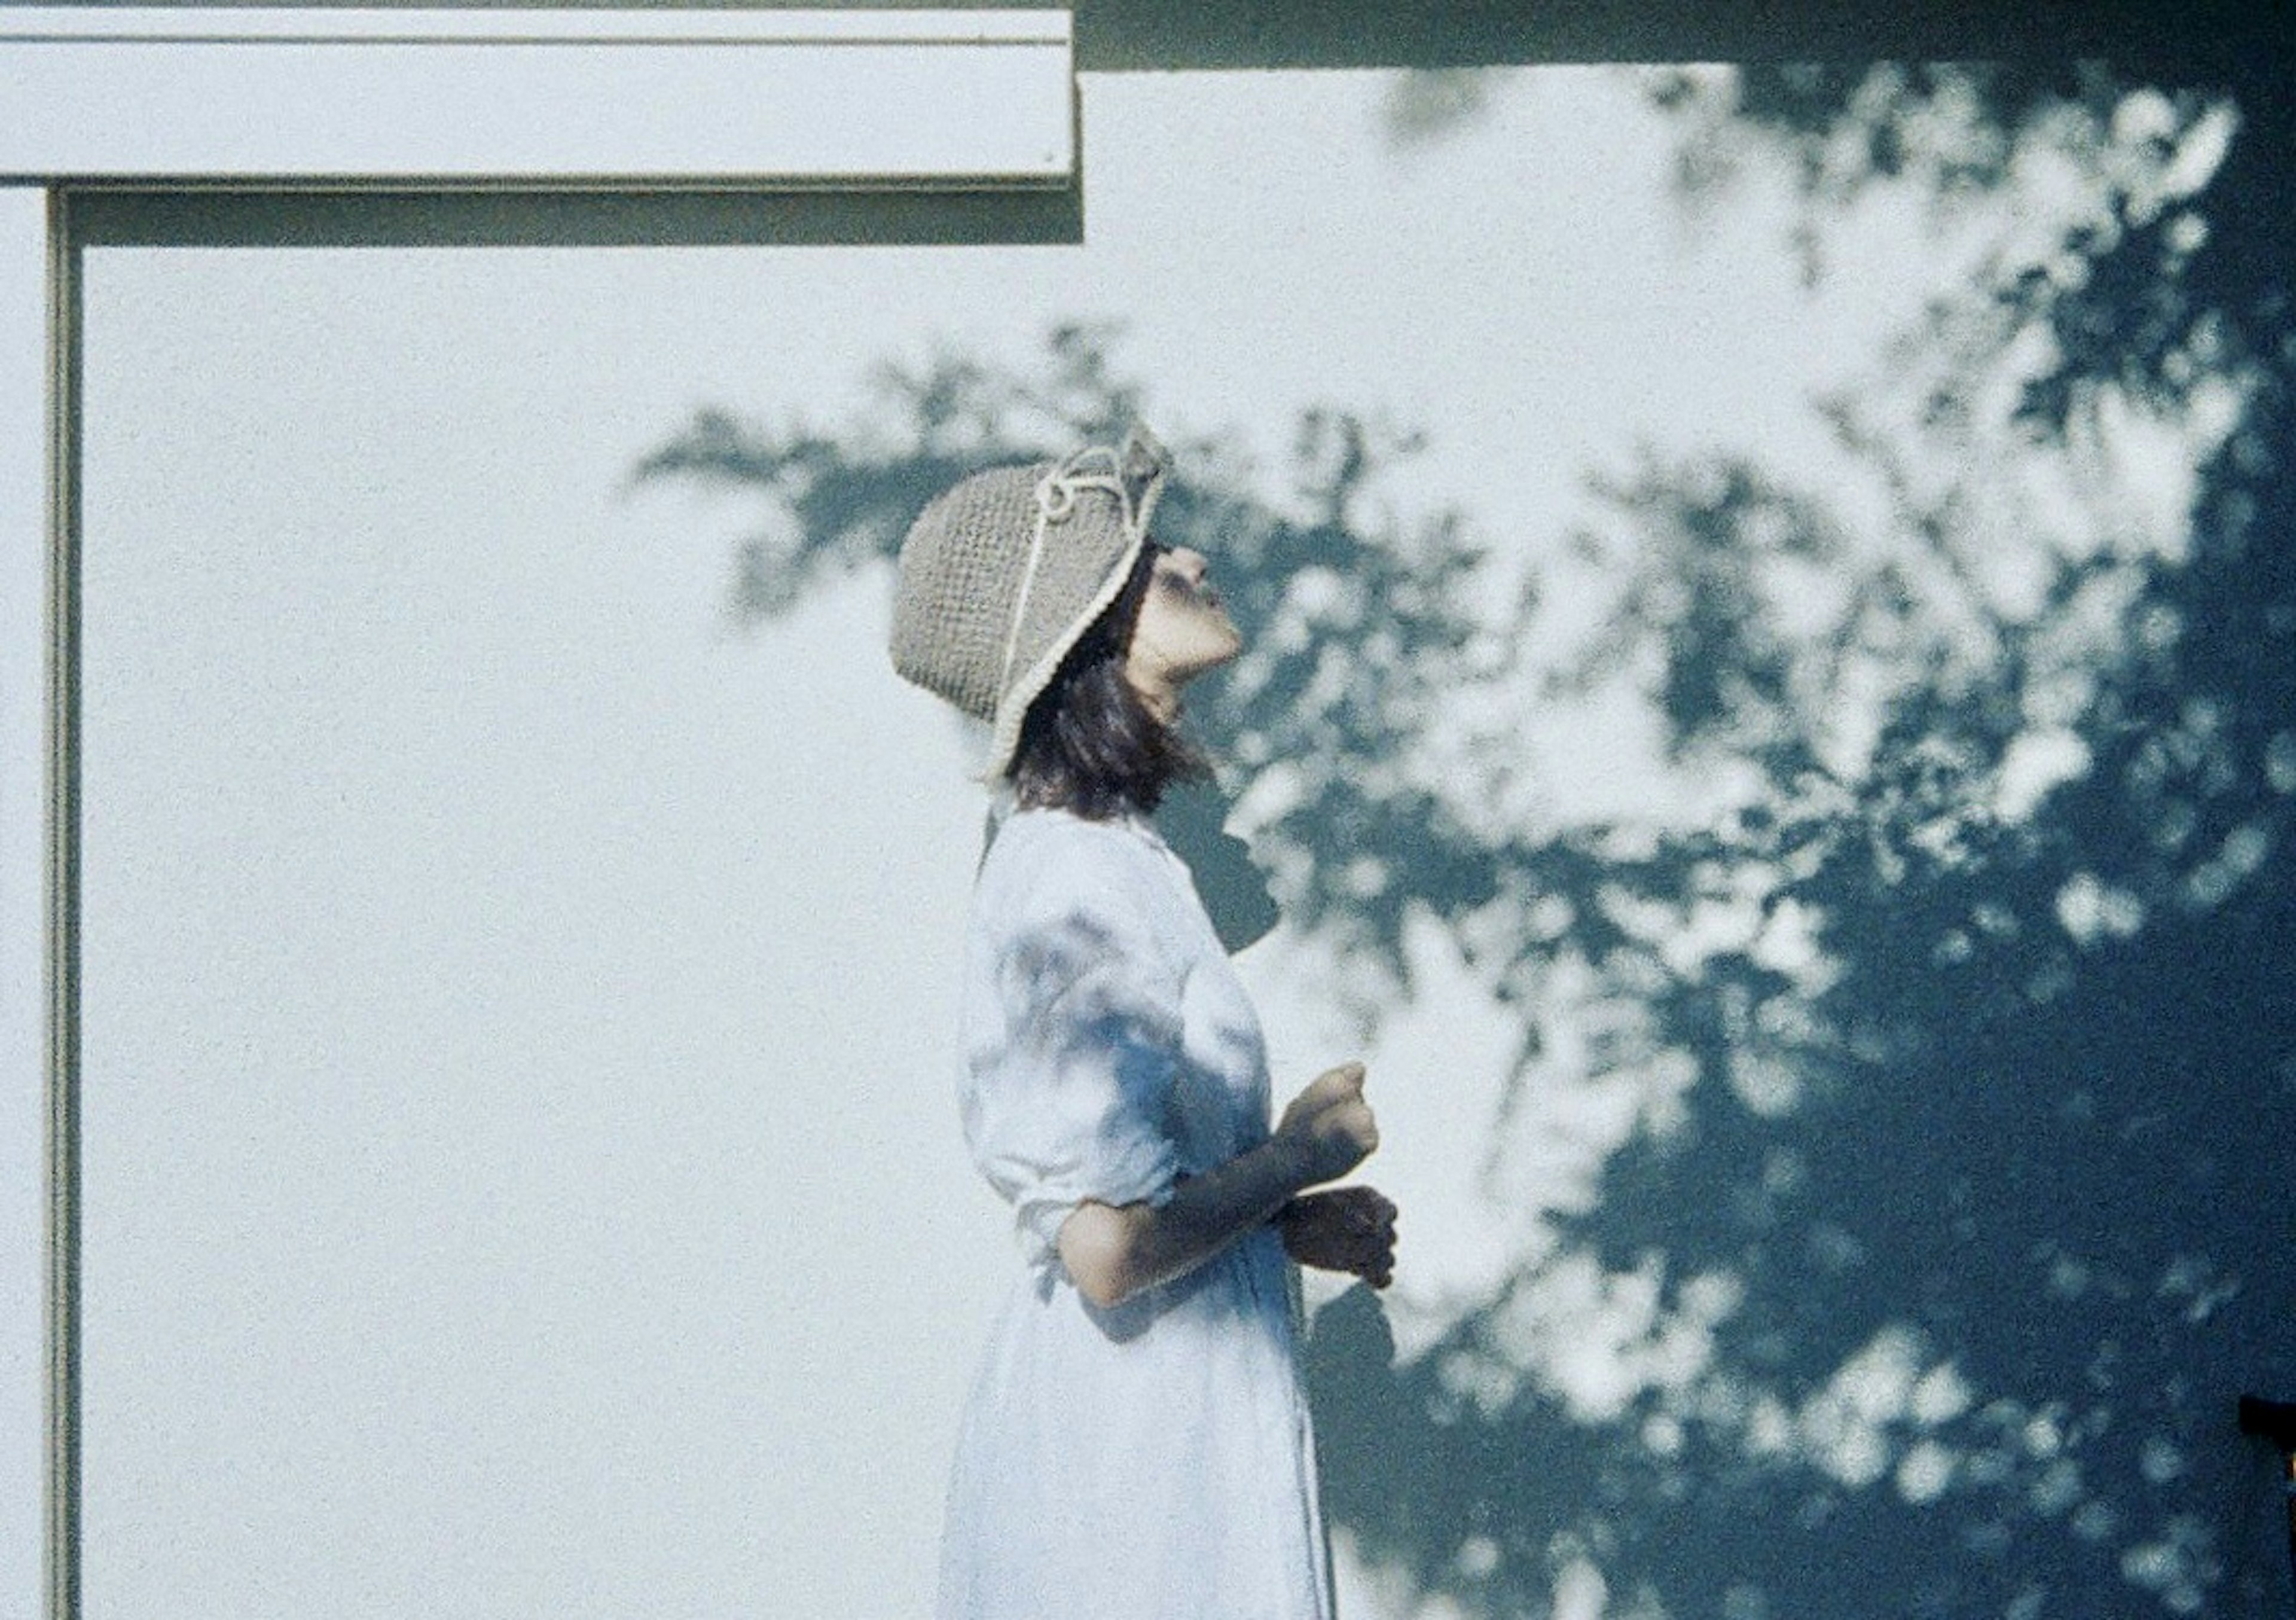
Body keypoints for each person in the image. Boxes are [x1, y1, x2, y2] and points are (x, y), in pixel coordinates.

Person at [890, 426, 1400, 1620]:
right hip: (1129, 1478)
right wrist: (1297, 1156)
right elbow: (1107, 1251)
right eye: (1150, 553)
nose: (1194, 556)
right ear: (1095, 628)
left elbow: (1128, 1212)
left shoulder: (1118, 859)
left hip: (1167, 1442)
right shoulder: (1073, 877)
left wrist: (1279, 1221)